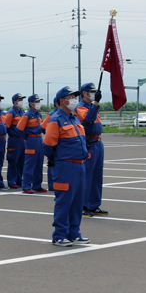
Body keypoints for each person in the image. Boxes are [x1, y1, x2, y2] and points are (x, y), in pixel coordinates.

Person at [43, 87, 90, 247]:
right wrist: (59, 160)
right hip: (65, 166)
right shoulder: (55, 120)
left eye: (74, 97)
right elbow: (48, 145)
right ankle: (59, 234)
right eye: (70, 97)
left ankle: (74, 233)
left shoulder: (74, 118)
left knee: (77, 201)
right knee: (64, 201)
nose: (74, 100)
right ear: (62, 101)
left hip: (79, 166)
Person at [76, 83, 108, 217]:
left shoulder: (92, 107)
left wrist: (95, 105)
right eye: (91, 91)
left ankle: (94, 204)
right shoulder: (81, 107)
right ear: (85, 93)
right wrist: (96, 104)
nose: (94, 93)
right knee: (87, 176)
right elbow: (88, 119)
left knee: (96, 177)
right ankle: (83, 205)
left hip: (97, 143)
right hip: (88, 143)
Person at [18, 94, 47, 193]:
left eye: (39, 101)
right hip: (31, 140)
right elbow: (19, 129)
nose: (38, 104)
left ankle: (37, 185)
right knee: (30, 164)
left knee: (39, 163)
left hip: (39, 139)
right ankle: (26, 186)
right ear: (31, 104)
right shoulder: (27, 115)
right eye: (36, 102)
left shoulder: (38, 114)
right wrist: (27, 137)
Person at [3, 94, 26, 190]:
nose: (21, 101)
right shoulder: (11, 113)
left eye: (21, 99)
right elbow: (6, 127)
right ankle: (12, 181)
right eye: (19, 99)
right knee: (13, 161)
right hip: (14, 139)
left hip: (22, 139)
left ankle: (19, 180)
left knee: (21, 161)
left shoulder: (23, 112)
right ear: (14, 101)